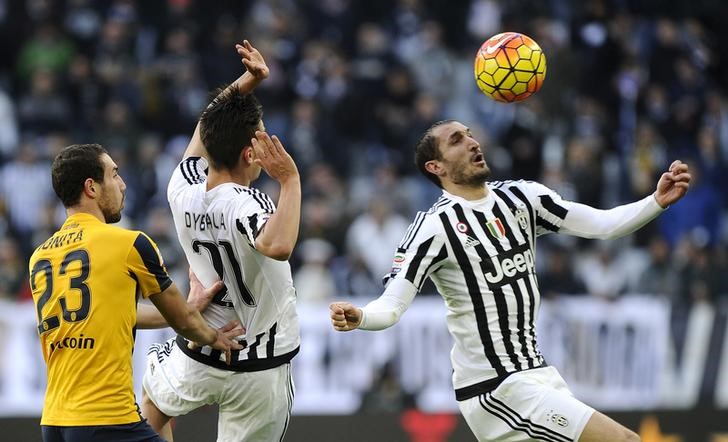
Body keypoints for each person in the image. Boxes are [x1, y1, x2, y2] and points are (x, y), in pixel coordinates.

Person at [330, 120, 691, 442]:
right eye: (457, 140)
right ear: (435, 166)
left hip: (538, 373)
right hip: (497, 386)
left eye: (471, 135)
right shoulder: (434, 227)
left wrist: (655, 201)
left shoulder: (522, 197)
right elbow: (392, 304)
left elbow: (602, 224)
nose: (473, 142)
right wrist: (361, 317)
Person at [141, 40, 301, 441]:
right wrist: (290, 180)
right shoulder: (247, 202)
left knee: (152, 405)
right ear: (251, 155)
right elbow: (277, 245)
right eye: (263, 140)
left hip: (203, 343)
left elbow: (206, 126)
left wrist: (247, 82)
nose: (269, 145)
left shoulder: (182, 188)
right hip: (260, 361)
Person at [29, 143, 242, 442]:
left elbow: (109, 315)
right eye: (114, 175)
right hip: (107, 418)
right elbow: (184, 323)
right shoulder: (129, 245)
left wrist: (188, 308)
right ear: (91, 187)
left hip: (54, 422)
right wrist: (213, 337)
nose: (122, 185)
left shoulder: (40, 257)